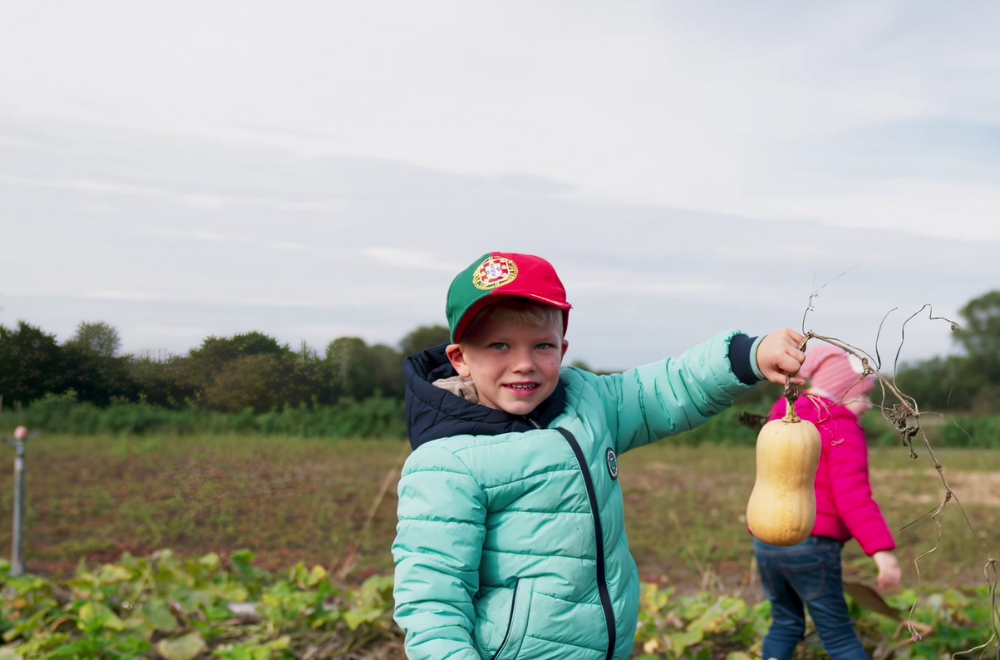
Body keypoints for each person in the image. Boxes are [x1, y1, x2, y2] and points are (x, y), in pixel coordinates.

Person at [392, 252, 807, 660]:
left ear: (562, 347)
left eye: (541, 346)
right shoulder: (446, 464)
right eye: (499, 346)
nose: (524, 364)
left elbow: (665, 390)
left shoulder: (586, 404)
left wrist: (749, 355)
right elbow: (432, 602)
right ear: (460, 358)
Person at [754, 343, 902, 660]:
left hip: (765, 542)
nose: (866, 405)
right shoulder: (840, 428)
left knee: (784, 624)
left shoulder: (778, 417)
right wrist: (881, 551)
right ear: (840, 390)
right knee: (838, 636)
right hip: (812, 542)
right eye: (861, 395)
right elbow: (853, 496)